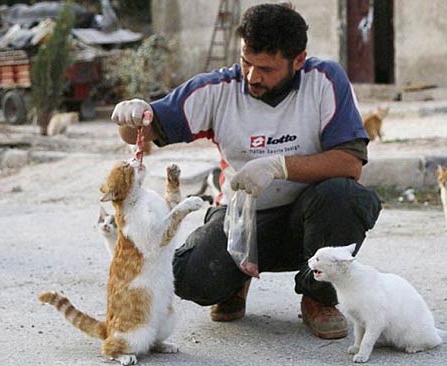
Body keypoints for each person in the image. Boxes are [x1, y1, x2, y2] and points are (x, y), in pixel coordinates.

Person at [111, 2, 381, 340]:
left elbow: (349, 163)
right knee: (191, 276)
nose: (253, 77)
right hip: (242, 222)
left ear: (298, 61)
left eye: (266, 69)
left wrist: (278, 166)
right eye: (246, 63)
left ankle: (319, 297)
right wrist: (131, 117)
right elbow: (147, 127)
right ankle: (233, 284)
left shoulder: (325, 81)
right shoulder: (218, 89)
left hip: (310, 219)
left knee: (344, 196)